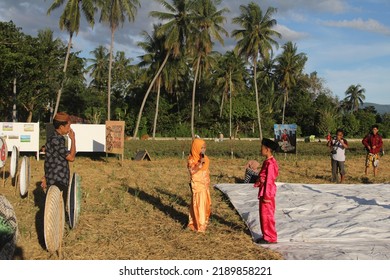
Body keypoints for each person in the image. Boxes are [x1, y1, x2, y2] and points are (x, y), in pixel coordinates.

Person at [42, 112, 76, 205]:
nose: (69, 129)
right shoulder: (55, 140)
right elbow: (71, 157)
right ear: (61, 127)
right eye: (68, 126)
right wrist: (73, 140)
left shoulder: (57, 139)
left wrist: (45, 176)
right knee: (57, 207)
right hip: (57, 179)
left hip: (56, 178)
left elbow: (49, 159)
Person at [254, 138, 279, 244]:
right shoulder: (267, 162)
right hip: (264, 190)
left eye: (262, 148)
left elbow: (269, 180)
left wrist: (267, 196)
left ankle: (270, 237)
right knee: (263, 214)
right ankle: (266, 234)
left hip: (267, 192)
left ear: (267, 149)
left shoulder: (271, 164)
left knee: (267, 215)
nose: (261, 150)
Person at [187, 138, 211, 233]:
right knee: (199, 205)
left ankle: (201, 222)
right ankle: (199, 226)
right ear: (196, 148)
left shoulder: (204, 157)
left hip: (204, 185)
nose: (204, 150)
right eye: (202, 148)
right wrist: (200, 163)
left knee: (205, 204)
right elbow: (192, 171)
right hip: (198, 185)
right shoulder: (192, 160)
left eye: (204, 147)